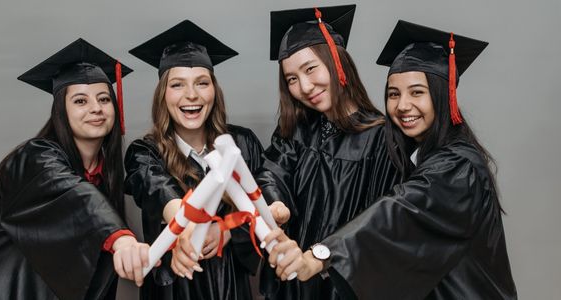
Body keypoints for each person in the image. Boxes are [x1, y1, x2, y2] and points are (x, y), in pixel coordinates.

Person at [265, 20, 518, 299]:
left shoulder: (458, 166)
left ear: (444, 96)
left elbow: (400, 211)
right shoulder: (424, 153)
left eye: (417, 92)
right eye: (393, 94)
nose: (403, 105)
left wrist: (319, 256)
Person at [0, 38, 156, 300]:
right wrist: (120, 238)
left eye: (103, 99)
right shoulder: (35, 158)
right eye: (80, 101)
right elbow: (71, 193)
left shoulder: (105, 179)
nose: (96, 108)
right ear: (60, 111)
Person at [255, 5, 401, 299]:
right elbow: (271, 172)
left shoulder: (383, 138)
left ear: (338, 62)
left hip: (343, 286)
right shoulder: (296, 131)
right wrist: (275, 204)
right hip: (291, 281)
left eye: (310, 69)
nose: (305, 87)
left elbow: (381, 225)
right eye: (292, 79)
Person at [124, 20, 275, 300]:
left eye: (202, 83)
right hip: (174, 285)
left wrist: (226, 232)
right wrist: (187, 230)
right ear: (163, 96)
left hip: (231, 285)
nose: (191, 95)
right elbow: (157, 190)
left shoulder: (241, 143)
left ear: (214, 91)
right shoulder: (144, 152)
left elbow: (264, 203)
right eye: (177, 84)